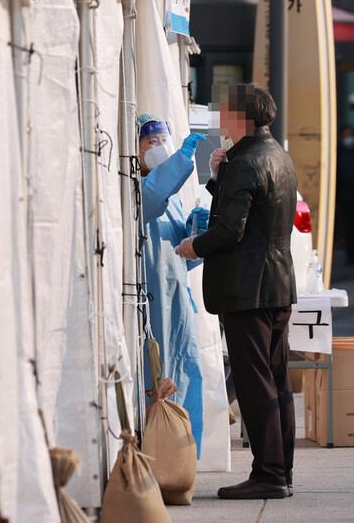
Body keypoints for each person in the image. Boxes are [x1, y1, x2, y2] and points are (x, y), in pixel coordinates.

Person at [175, 83, 297, 500]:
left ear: (242, 118)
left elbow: (230, 228)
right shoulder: (276, 155)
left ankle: (268, 474)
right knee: (277, 379)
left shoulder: (246, 161)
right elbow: (251, 210)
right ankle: (281, 472)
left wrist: (194, 245)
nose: (219, 121)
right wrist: (218, 174)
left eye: (225, 114)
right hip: (278, 285)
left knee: (254, 382)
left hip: (249, 288)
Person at [137, 113, 208, 457]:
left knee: (185, 376)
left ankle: (184, 460)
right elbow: (152, 195)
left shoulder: (174, 196)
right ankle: (157, 458)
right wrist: (181, 159)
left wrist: (197, 235)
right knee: (155, 382)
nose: (159, 147)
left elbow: (183, 255)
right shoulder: (134, 190)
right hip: (152, 305)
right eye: (150, 141)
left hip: (177, 302)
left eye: (163, 140)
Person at [338, 125, 354, 265]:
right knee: (349, 226)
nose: (349, 138)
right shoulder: (339, 152)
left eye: (350, 135)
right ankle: (351, 257)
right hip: (346, 194)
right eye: (346, 135)